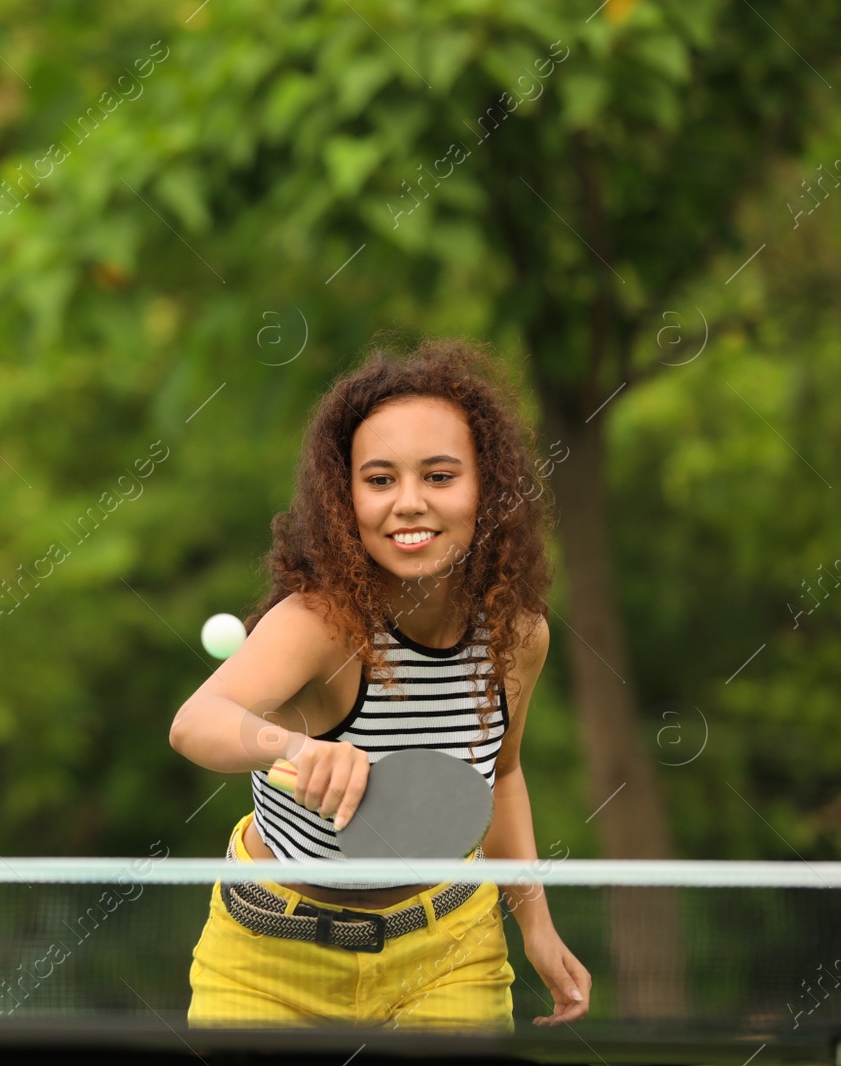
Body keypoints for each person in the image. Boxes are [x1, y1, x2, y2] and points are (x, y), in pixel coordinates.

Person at [170, 338, 591, 1032]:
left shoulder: (518, 633)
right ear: (345, 496)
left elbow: (502, 773)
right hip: (269, 957)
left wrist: (536, 924)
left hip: (448, 948)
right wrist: (298, 750)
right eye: (380, 479)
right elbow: (197, 721)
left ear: (488, 486)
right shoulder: (317, 624)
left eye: (439, 475)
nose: (409, 503)